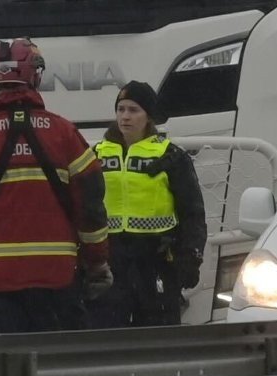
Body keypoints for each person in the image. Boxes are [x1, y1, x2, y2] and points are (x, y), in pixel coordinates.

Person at [0, 38, 112, 335]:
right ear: (35, 75)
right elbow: (91, 205)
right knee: (59, 360)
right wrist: (97, 263)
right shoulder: (64, 134)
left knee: (4, 361)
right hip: (57, 279)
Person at [88, 81, 206, 328]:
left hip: (156, 259)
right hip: (111, 259)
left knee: (159, 332)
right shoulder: (96, 155)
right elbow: (83, 206)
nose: (125, 116)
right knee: (107, 332)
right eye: (121, 109)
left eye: (134, 110)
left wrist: (191, 257)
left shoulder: (170, 156)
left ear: (148, 116)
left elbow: (192, 212)